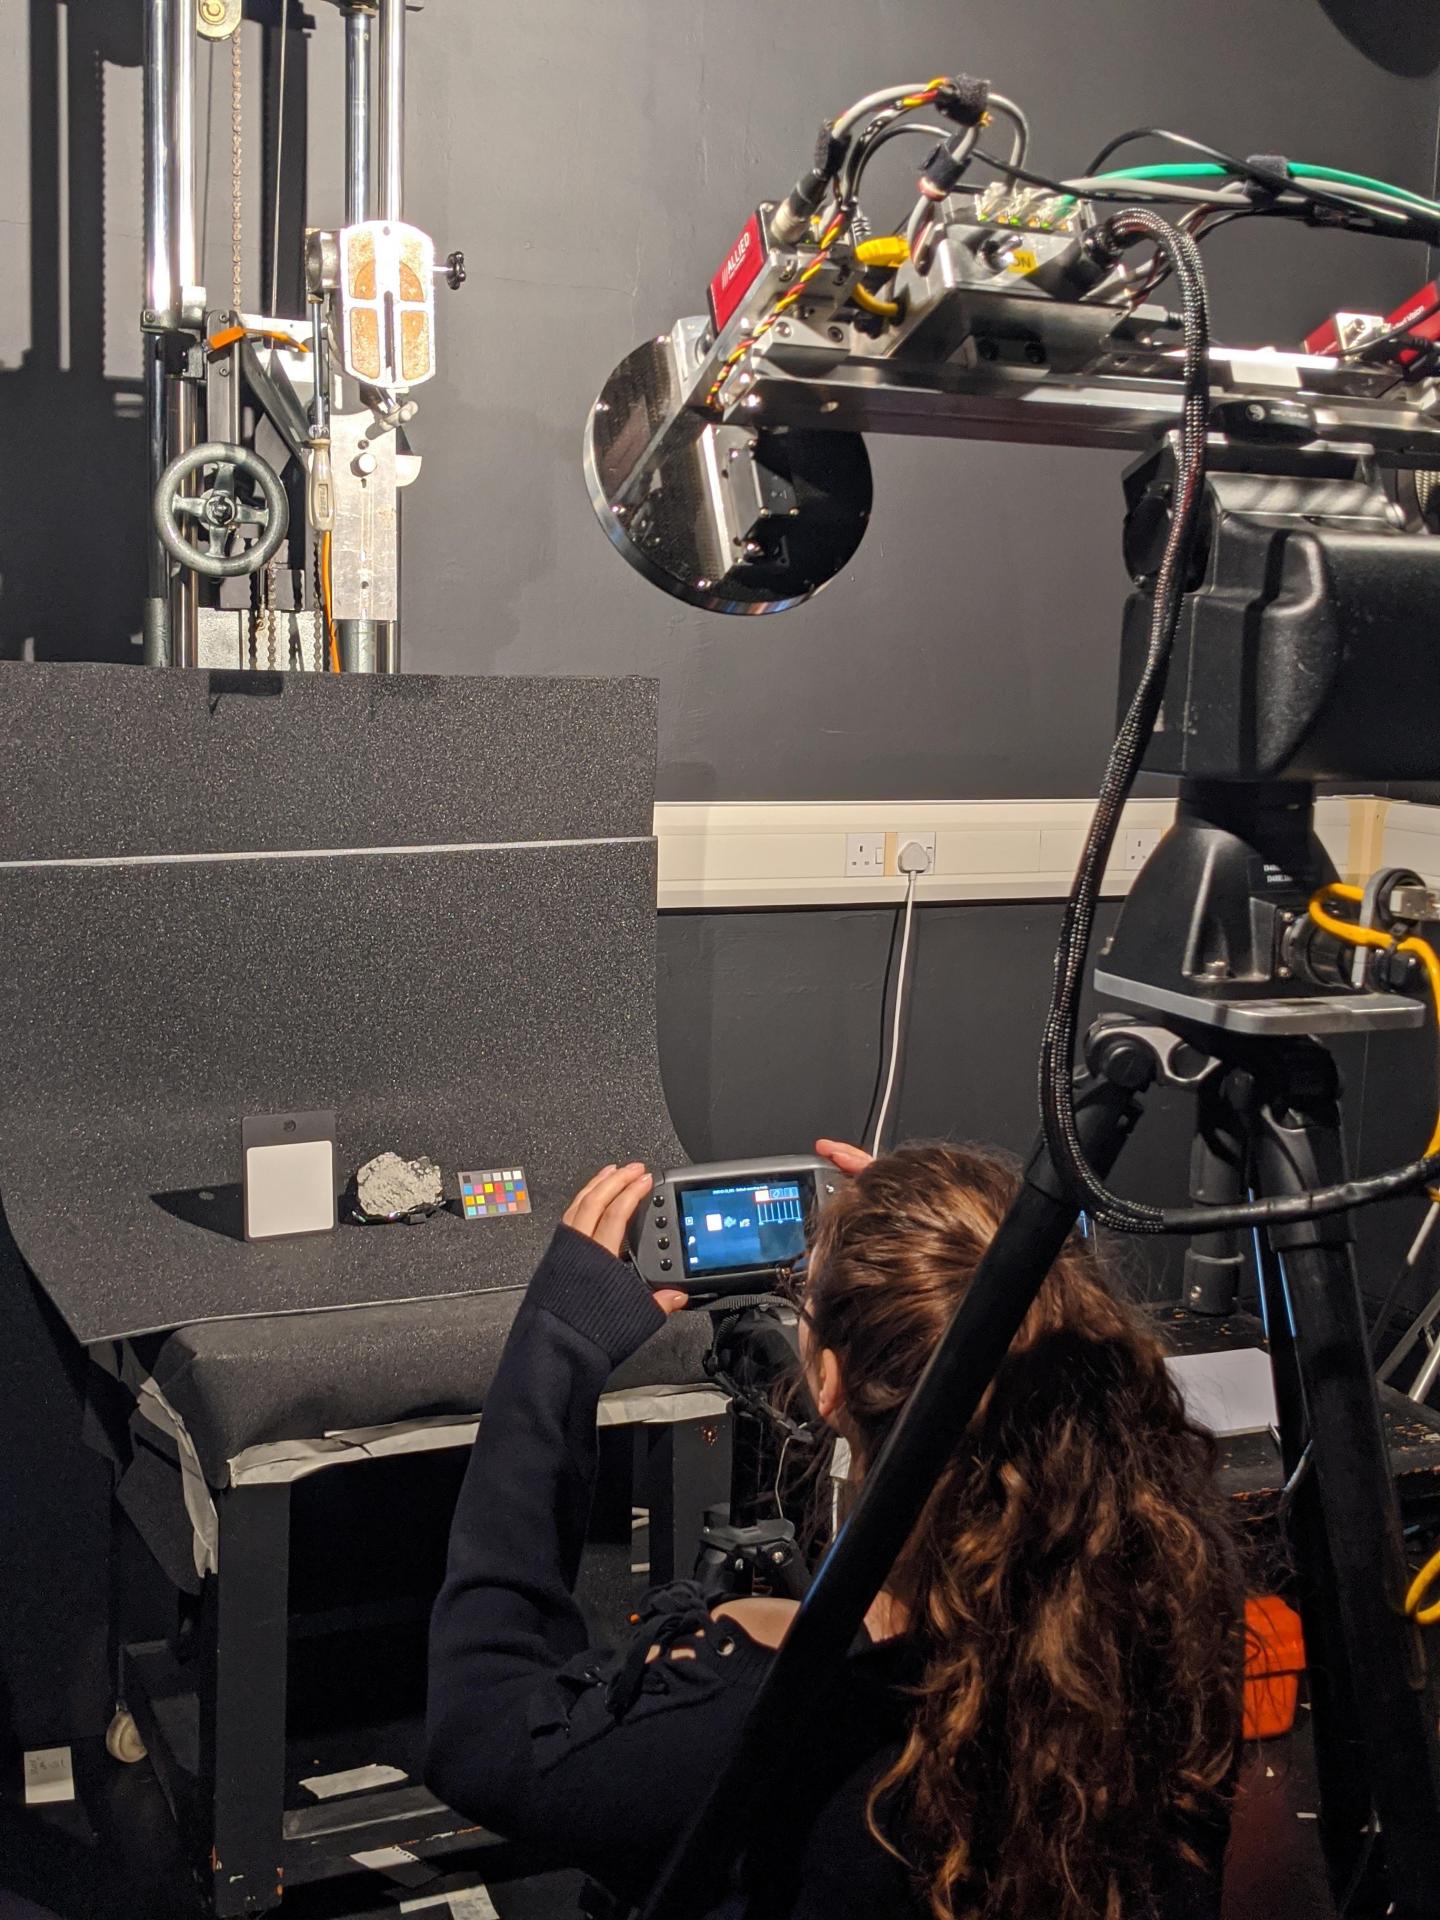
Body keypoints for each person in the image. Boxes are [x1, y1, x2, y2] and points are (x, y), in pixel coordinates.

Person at [426, 1141, 1245, 1920]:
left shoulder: (760, 1719)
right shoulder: (1167, 1646)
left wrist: (555, 1344)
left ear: (830, 1383)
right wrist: (943, 1257)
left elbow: (483, 1731)